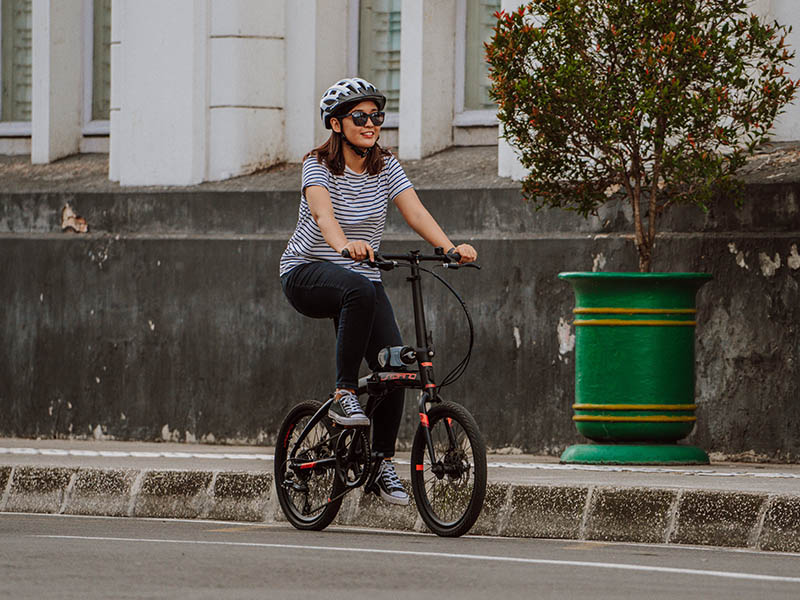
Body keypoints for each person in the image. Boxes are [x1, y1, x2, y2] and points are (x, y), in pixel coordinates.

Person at [279, 77, 477, 506]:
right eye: (360, 117)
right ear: (336, 124)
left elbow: (415, 211)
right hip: (306, 272)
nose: (371, 124)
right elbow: (323, 215)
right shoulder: (317, 165)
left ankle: (380, 463)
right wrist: (343, 246)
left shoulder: (386, 165)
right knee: (357, 286)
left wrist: (448, 248)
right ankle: (344, 393)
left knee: (397, 364)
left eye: (377, 116)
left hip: (360, 282)